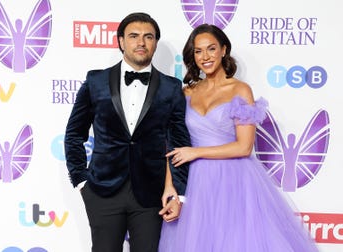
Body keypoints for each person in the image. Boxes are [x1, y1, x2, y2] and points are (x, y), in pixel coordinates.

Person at [158, 24, 319, 252]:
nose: (205, 57)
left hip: (233, 181)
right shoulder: (186, 93)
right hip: (194, 183)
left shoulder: (240, 90)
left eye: (211, 49)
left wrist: (196, 152)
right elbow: (172, 145)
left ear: (224, 50)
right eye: (198, 51)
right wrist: (170, 187)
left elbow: (244, 147)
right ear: (192, 56)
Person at [64, 12, 191, 252]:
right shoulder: (96, 81)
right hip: (102, 191)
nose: (141, 42)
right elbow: (73, 135)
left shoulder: (171, 87)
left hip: (152, 195)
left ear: (155, 43)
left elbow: (178, 143)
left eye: (148, 37)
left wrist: (178, 192)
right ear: (121, 41)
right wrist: (81, 181)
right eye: (133, 36)